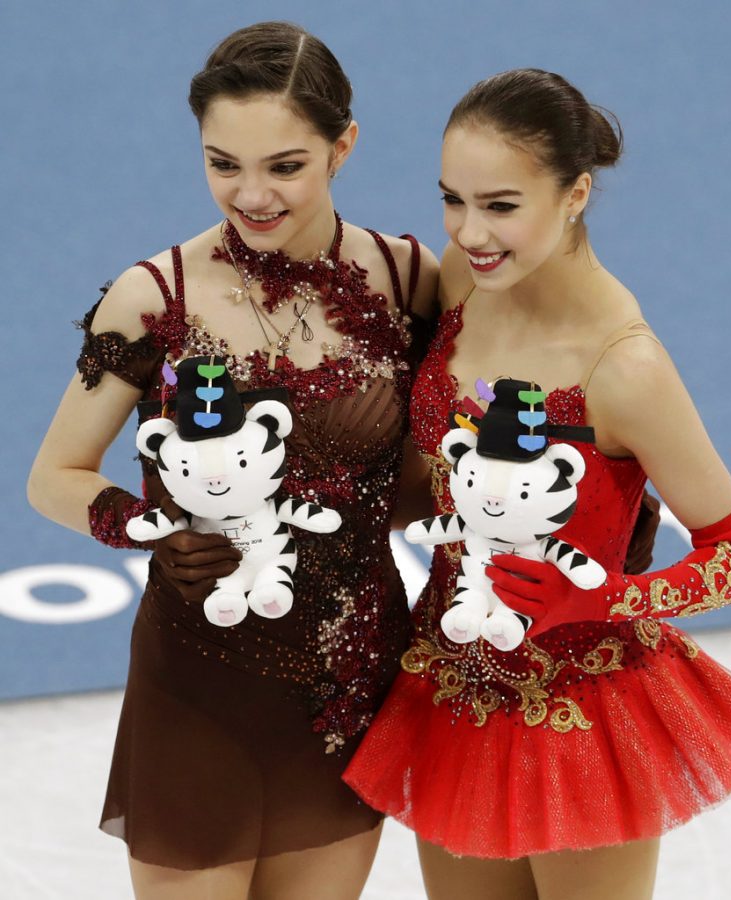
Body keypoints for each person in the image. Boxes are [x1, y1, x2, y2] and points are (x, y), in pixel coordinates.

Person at [344, 69, 731, 900]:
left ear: (576, 193)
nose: (470, 231)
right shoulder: (462, 279)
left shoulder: (624, 367)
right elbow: (433, 477)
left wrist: (598, 600)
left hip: (580, 710)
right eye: (453, 199)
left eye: (501, 206)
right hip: (448, 688)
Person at [27, 21, 441, 900]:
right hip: (201, 688)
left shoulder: (412, 281)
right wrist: (143, 527)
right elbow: (54, 476)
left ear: (343, 145)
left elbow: (419, 482)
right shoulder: (153, 296)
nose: (249, 194)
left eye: (284, 166)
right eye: (222, 163)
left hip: (349, 681)